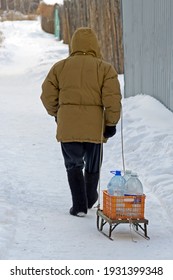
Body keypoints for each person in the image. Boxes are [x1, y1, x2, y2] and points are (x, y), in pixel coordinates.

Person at [40, 27, 122, 217]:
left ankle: (79, 205)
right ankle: (89, 198)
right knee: (93, 164)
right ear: (95, 45)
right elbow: (112, 98)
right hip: (95, 128)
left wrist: (58, 114)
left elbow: (47, 95)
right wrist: (111, 123)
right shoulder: (105, 68)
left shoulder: (60, 67)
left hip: (68, 125)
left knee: (73, 164)